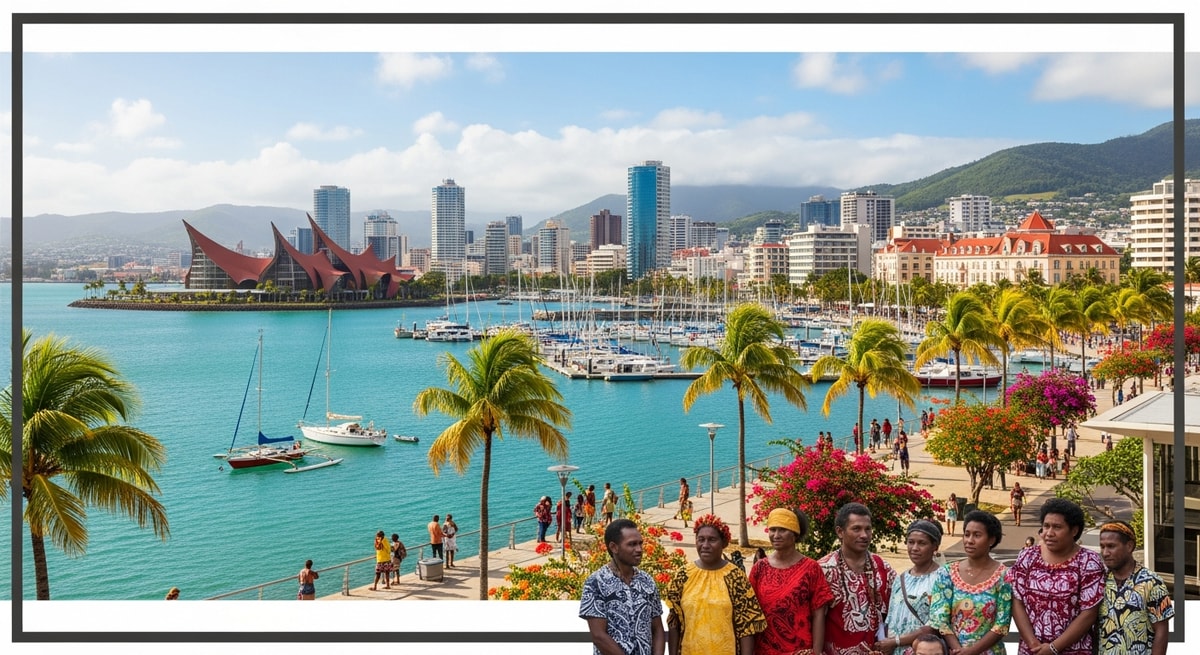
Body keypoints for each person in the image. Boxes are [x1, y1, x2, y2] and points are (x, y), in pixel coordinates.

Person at [1008, 498, 1106, 655]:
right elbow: (1016, 601)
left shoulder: (1088, 562)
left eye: (1057, 527)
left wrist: (1053, 648)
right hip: (1032, 649)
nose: (1049, 533)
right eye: (1046, 526)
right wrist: (1033, 644)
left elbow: (1089, 613)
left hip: (1074, 650)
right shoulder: (1027, 556)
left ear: (1074, 530)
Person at [665, 514, 766, 655]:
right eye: (701, 539)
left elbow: (747, 627)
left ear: (723, 543)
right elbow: (674, 622)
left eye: (712, 540)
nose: (705, 545)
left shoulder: (735, 577)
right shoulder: (683, 575)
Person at [749, 508, 831, 655]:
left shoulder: (811, 568)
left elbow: (819, 614)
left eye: (782, 530)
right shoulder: (759, 568)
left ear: (794, 534)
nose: (776, 535)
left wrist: (817, 652)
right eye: (772, 530)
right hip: (764, 650)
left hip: (801, 650)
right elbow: (750, 612)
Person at [929, 510, 1012, 655]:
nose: (969, 540)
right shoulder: (947, 573)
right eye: (967, 534)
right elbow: (940, 618)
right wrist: (959, 650)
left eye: (977, 535)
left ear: (991, 540)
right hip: (954, 651)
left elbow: (1002, 624)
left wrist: (972, 651)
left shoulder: (1004, 576)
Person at [579, 518, 666, 655]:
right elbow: (598, 636)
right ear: (614, 547)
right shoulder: (596, 583)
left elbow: (657, 629)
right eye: (632, 544)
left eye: (640, 544)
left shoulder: (647, 581)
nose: (639, 549)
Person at [820, 502, 896, 655]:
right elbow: (815, 619)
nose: (864, 535)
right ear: (840, 532)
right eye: (856, 529)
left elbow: (896, 611)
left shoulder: (882, 567)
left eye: (868, 529)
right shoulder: (824, 569)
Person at [1098, 521, 1173, 655]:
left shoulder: (1152, 582)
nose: (1105, 552)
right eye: (1102, 547)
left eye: (1111, 546)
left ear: (1129, 546)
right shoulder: (1099, 580)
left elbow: (1161, 631)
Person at [876, 520, 941, 655]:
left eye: (922, 543)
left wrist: (896, 641)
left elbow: (935, 625)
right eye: (911, 542)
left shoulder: (942, 578)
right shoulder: (901, 579)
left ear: (935, 546)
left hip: (923, 651)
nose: (915, 548)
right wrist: (886, 643)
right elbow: (891, 619)